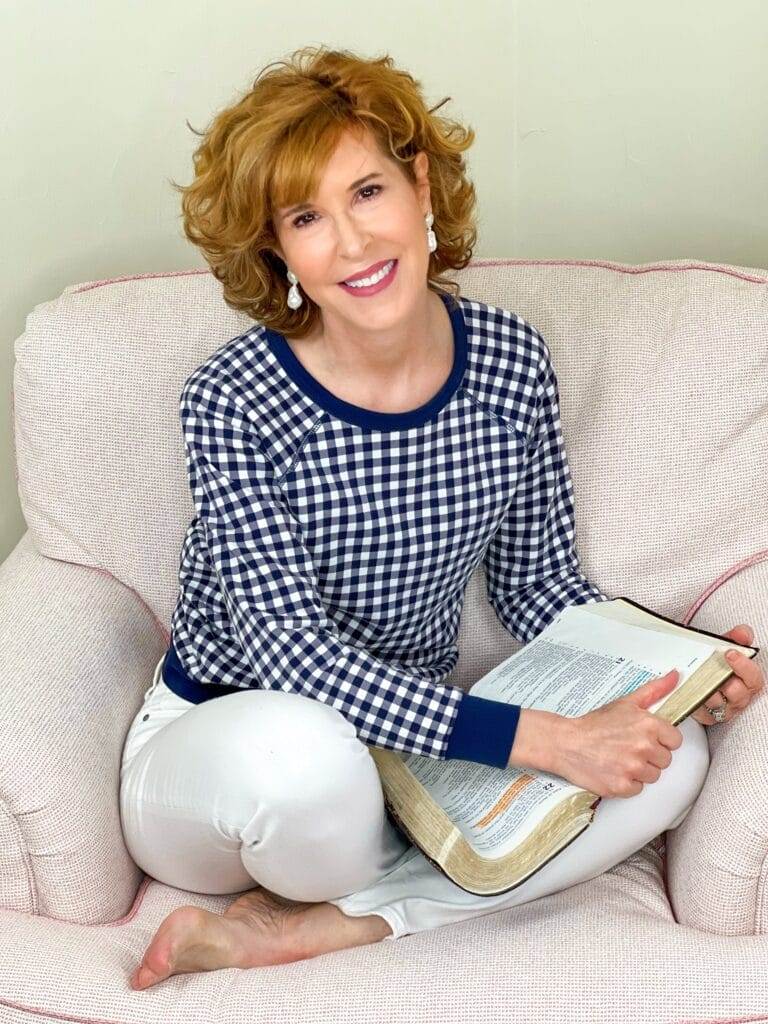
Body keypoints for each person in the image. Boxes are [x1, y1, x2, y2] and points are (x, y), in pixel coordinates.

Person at [119, 45, 764, 992]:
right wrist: (539, 740)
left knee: (666, 762)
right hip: (229, 755)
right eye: (306, 218)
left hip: (406, 759)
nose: (351, 243)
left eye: (368, 191)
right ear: (276, 251)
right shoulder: (233, 398)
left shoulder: (509, 361)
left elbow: (538, 581)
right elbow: (290, 656)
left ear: (421, 186)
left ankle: (338, 924)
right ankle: (356, 890)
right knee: (314, 761)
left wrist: (677, 670)